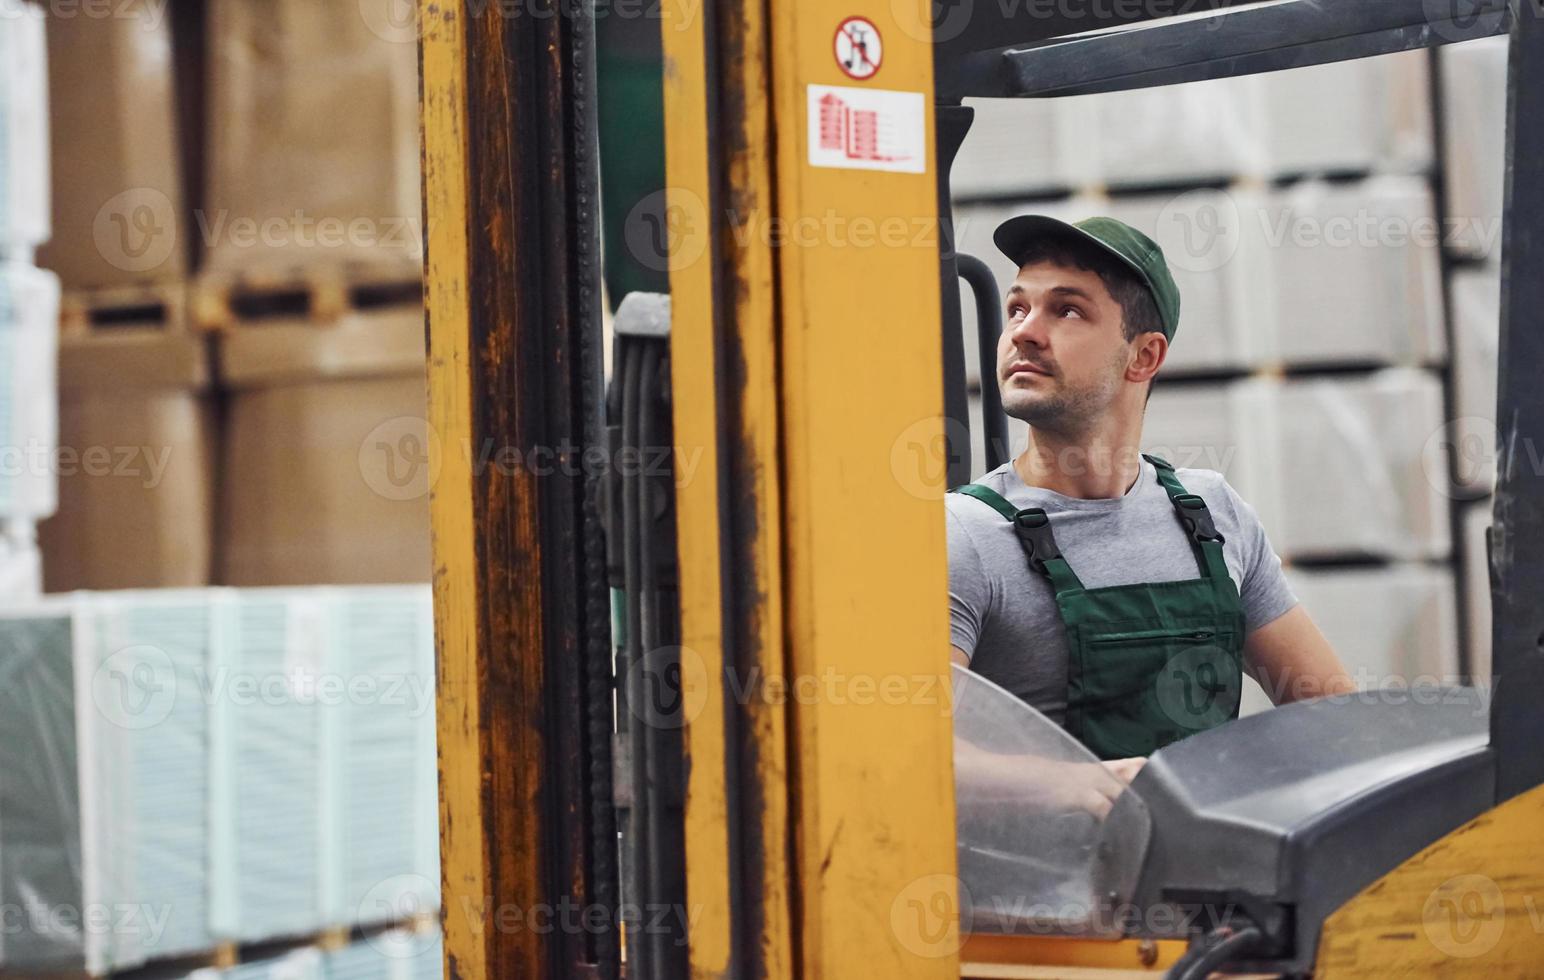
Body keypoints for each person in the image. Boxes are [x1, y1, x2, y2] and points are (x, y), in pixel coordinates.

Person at [948, 215, 1355, 777]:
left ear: (1144, 357)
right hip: (1055, 864)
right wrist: (1093, 786)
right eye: (1018, 308)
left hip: (1209, 860)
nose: (1024, 331)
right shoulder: (963, 534)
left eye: (1066, 310)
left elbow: (1333, 718)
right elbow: (920, 755)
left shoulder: (1213, 515)